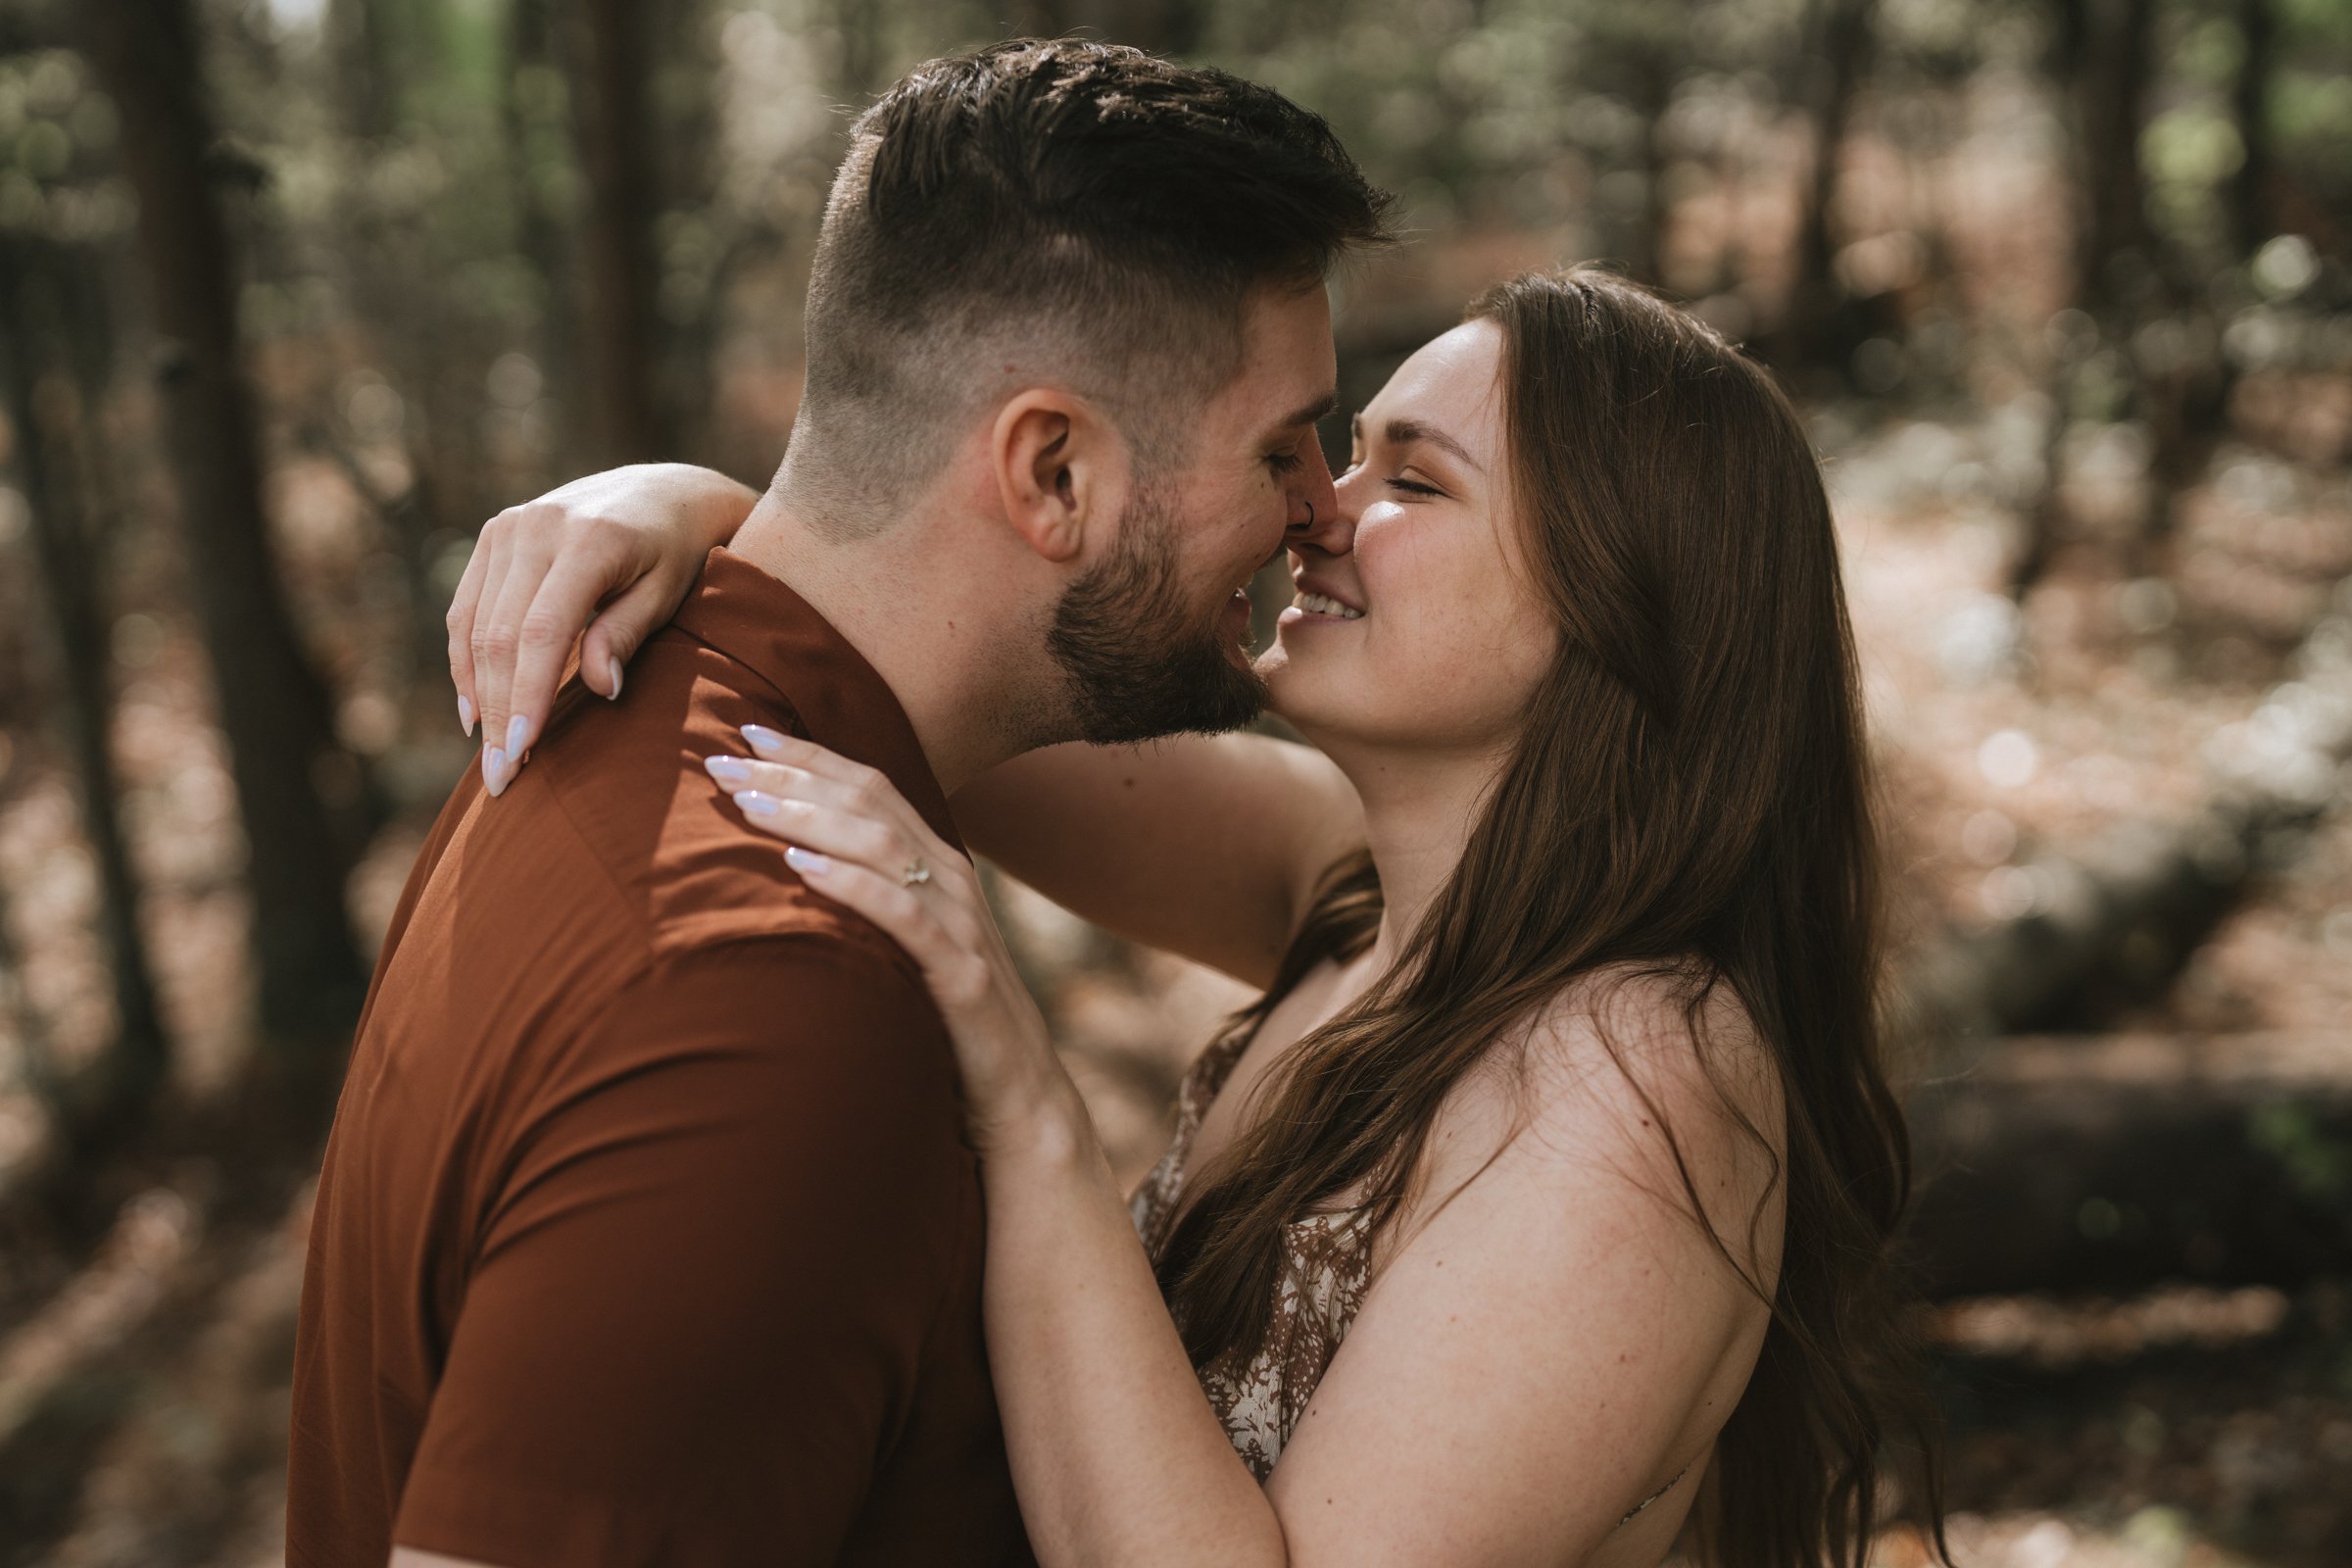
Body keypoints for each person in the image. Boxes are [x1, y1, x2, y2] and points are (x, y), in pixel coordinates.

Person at [455, 271, 1949, 1566]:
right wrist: (664, 501)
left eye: (1411, 482)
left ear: (1628, 602)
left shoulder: (1642, 1075)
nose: (1316, 512)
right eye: (1340, 458)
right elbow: (930, 656)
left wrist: (1023, 1091)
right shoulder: (1360, 893)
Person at [285, 39, 1391, 1568]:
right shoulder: (764, 999)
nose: (1320, 508)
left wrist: (688, 498)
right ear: (1052, 470)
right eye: (1283, 446)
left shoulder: (644, 724)